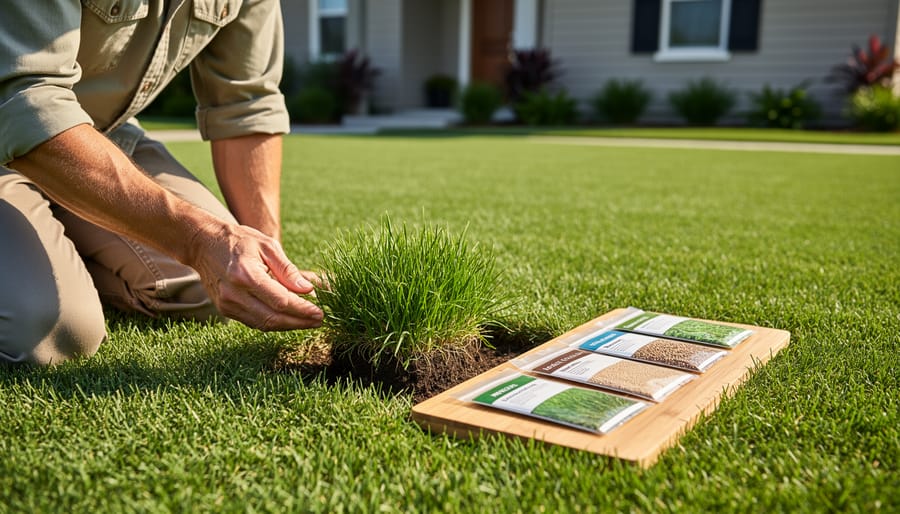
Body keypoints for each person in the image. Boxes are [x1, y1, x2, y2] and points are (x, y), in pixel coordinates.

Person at [0, 0, 324, 365]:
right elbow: (25, 100)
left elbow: (246, 103)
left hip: (101, 133)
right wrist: (201, 240)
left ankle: (54, 248)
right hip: (7, 129)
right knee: (51, 331)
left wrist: (268, 268)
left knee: (207, 288)